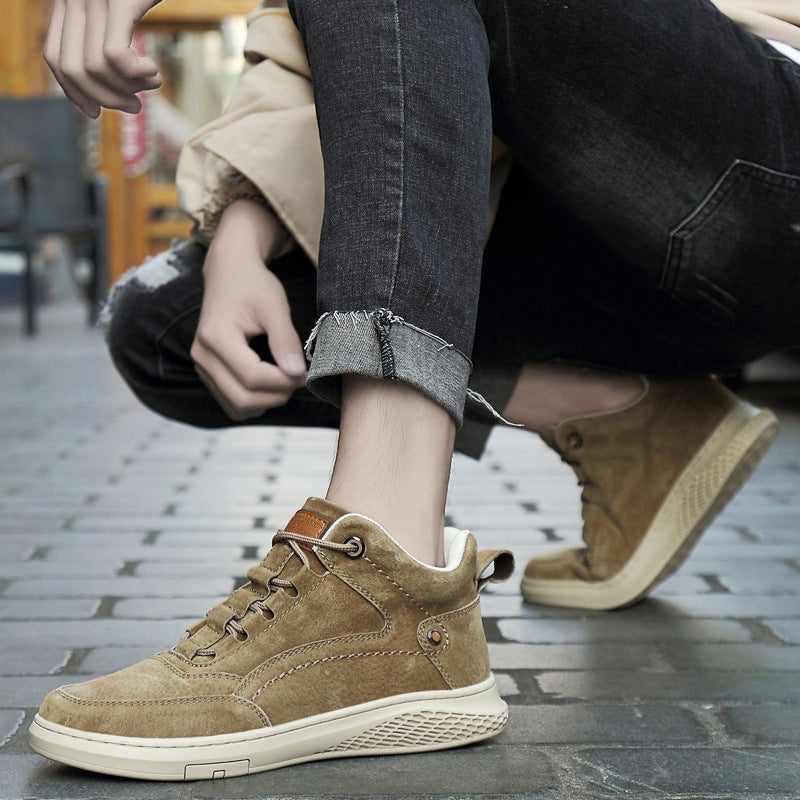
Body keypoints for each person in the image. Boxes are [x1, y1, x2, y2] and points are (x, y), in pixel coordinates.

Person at [30, 0, 799, 781]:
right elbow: (326, 48)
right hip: (565, 219)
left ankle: (387, 575)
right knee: (165, 320)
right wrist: (241, 233)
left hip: (760, 167)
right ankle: (619, 413)